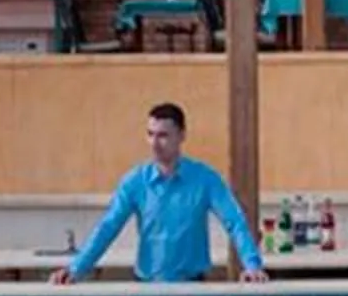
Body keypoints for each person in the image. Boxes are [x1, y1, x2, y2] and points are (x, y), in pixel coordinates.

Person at [52, 102, 269, 285]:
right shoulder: (135, 181)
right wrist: (76, 269)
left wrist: (252, 265)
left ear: (182, 136)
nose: (155, 144)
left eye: (163, 136)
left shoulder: (205, 179)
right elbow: (108, 226)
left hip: (193, 287)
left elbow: (234, 221)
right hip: (146, 286)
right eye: (150, 134)